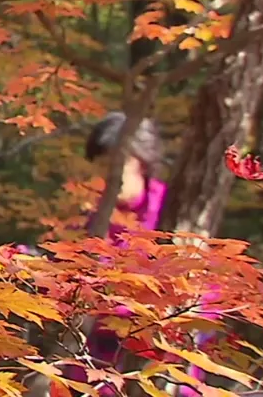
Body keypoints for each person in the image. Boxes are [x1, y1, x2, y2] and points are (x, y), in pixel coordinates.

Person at [68, 111, 215, 397]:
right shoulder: (92, 219)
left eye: (117, 162)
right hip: (99, 365)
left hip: (164, 364)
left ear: (142, 160)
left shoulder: (173, 212)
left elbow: (205, 300)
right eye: (102, 164)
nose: (108, 173)